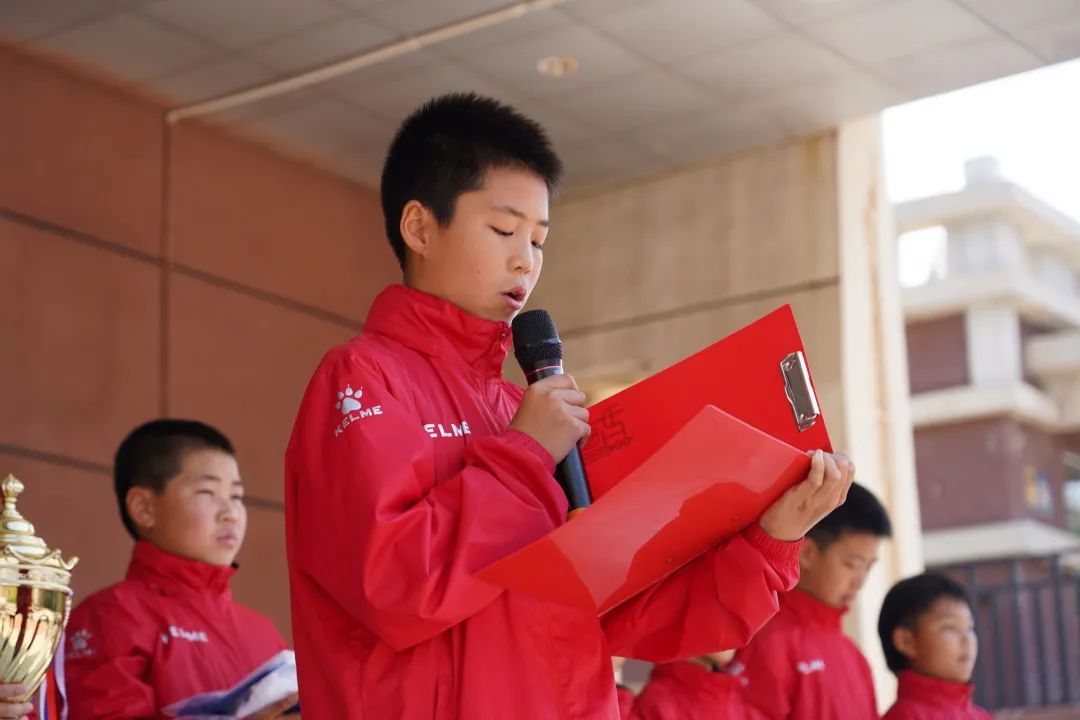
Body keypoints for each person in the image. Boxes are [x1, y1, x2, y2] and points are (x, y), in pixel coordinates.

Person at [285, 91, 855, 718]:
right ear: (419, 226)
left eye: (538, 240)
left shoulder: (524, 406)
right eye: (503, 230)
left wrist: (772, 538)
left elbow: (630, 613)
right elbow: (395, 587)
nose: (524, 260)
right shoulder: (363, 377)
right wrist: (524, 455)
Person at [63, 420, 297, 719]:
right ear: (144, 508)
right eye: (208, 492)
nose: (230, 514)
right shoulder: (109, 616)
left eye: (237, 497)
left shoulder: (264, 633)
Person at [738, 483, 892, 719]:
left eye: (868, 567)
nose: (859, 581)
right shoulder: (766, 641)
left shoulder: (853, 655)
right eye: (851, 564)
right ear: (807, 553)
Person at [878, 573, 991, 720]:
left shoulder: (981, 716)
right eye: (950, 628)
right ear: (906, 642)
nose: (967, 640)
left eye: (969, 628)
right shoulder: (905, 716)